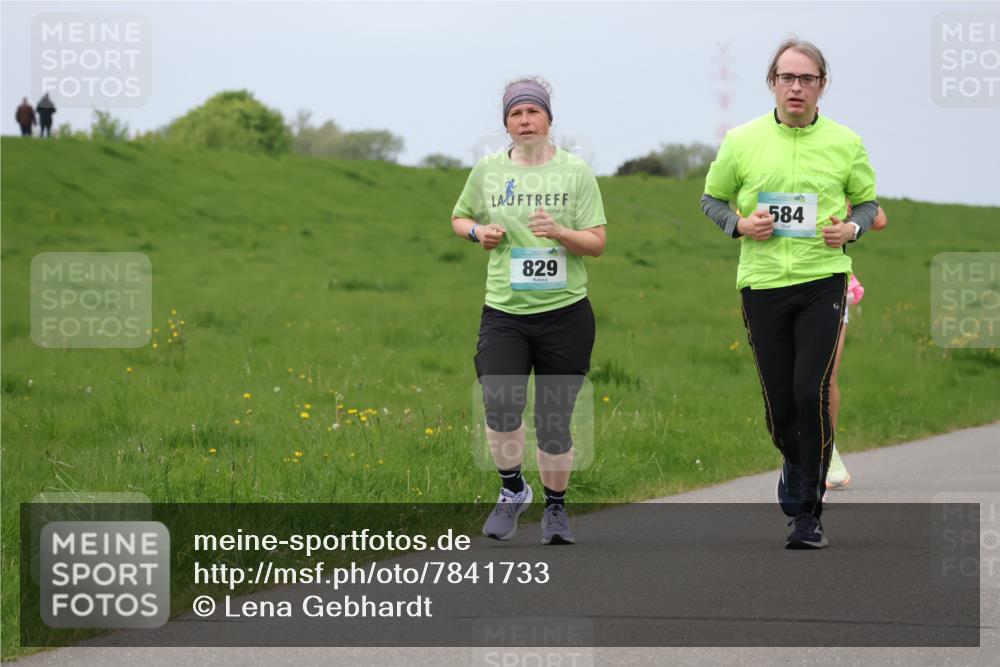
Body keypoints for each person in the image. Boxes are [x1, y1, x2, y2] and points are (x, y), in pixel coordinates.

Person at [701, 39, 879, 549]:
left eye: (806, 78)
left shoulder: (846, 142)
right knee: (781, 404)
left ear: (823, 85)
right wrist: (738, 224)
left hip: (823, 280)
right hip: (762, 286)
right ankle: (797, 462)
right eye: (787, 77)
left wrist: (852, 231)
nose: (796, 87)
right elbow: (711, 199)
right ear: (772, 83)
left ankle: (808, 514)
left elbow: (867, 205)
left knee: (811, 392)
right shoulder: (742, 140)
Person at [452, 77, 607, 545]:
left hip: (565, 313)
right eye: (515, 114)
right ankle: (512, 490)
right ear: (506, 123)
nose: (524, 120)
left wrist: (561, 233)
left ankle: (556, 510)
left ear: (548, 119)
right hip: (505, 311)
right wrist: (479, 234)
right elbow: (460, 217)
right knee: (499, 404)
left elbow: (597, 243)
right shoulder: (486, 172)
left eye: (532, 112)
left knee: (555, 420)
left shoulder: (577, 172)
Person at [826, 205, 888, 490]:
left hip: (831, 285)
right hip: (777, 282)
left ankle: (827, 450)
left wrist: (849, 224)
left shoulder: (839, 167)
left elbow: (879, 218)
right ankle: (796, 452)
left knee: (826, 377)